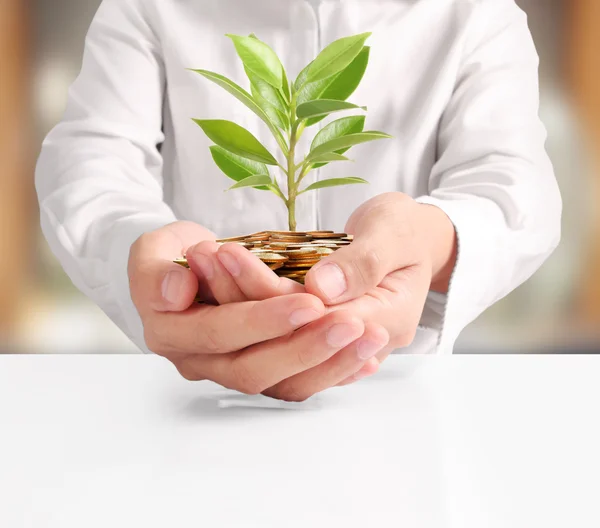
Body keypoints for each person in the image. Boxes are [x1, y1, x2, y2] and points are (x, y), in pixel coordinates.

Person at [35, 0, 561, 401]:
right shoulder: (148, 7)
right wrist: (138, 253)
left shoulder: (476, 13)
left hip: (398, 390)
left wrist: (431, 243)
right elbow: (89, 164)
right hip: (196, 395)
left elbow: (512, 187)